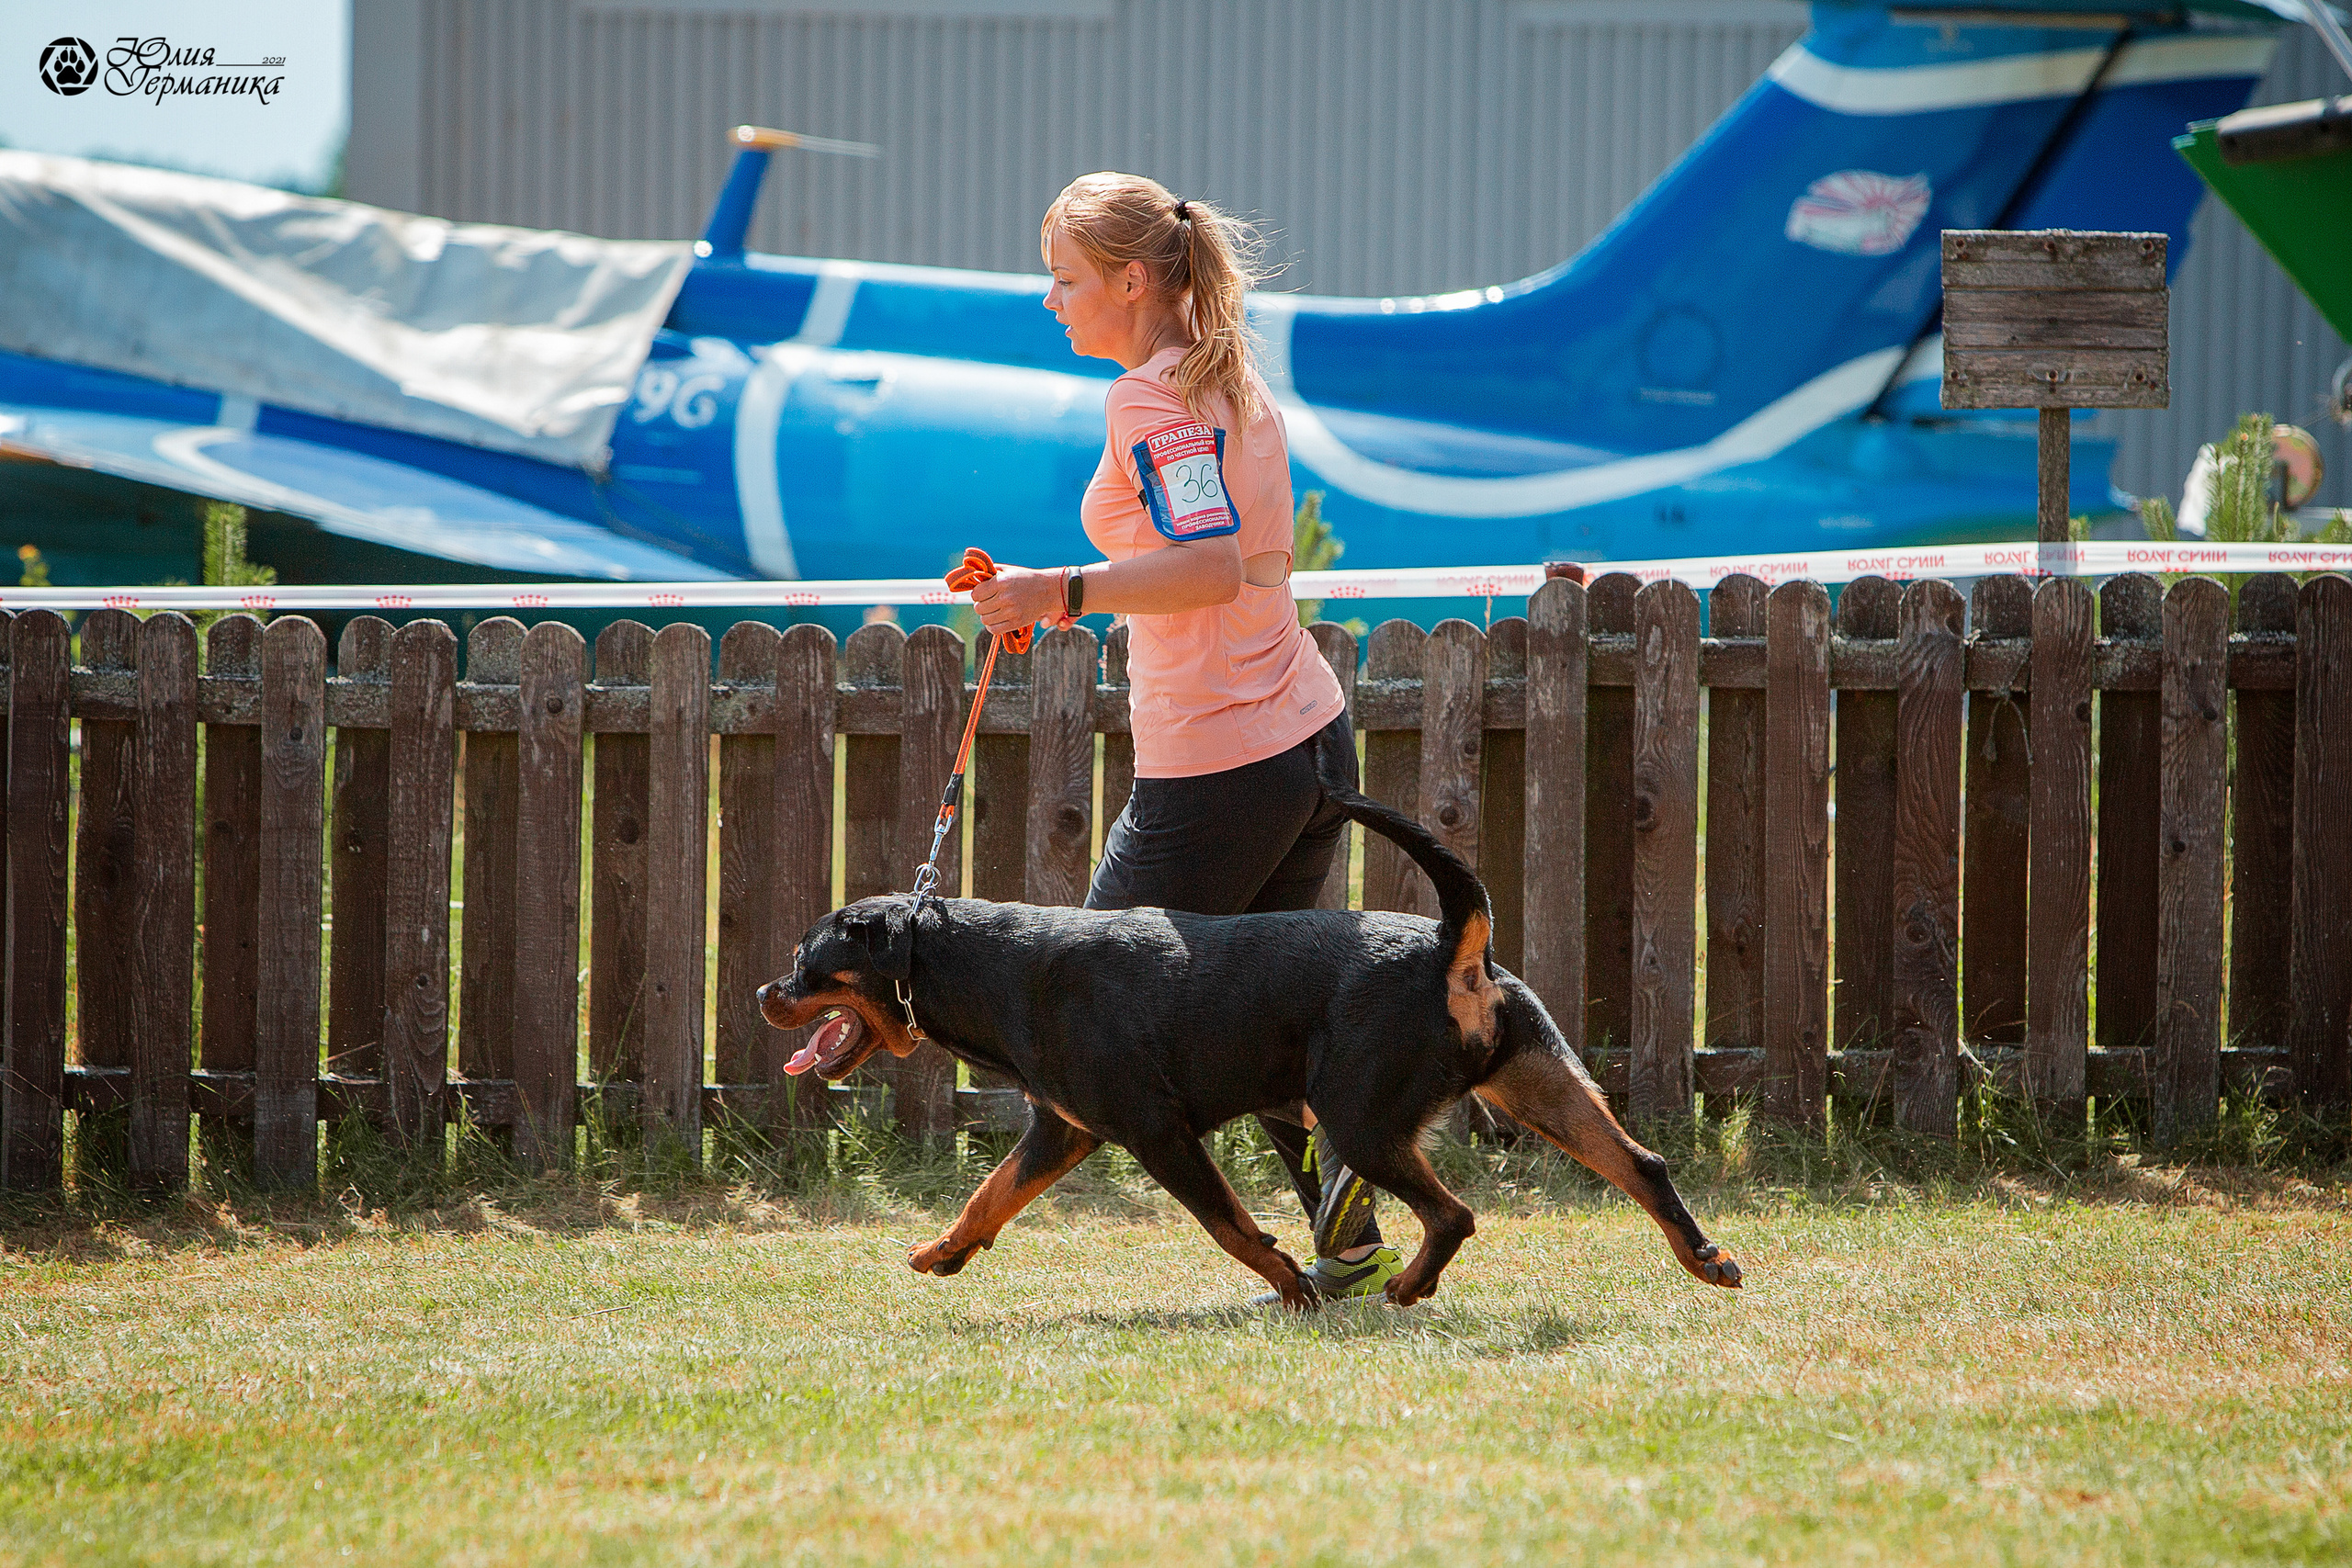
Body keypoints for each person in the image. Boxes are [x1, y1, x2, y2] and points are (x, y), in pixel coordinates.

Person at [968, 171, 1395, 1301]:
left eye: (1063, 279)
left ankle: (964, 1238)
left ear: (1131, 279)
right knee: (1259, 1019)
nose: (1049, 300)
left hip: (1223, 763)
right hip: (1307, 740)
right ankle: (1343, 1236)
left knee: (1085, 1010)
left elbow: (1208, 565)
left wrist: (1056, 592)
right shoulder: (1234, 385)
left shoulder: (1150, 403)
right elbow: (1259, 567)